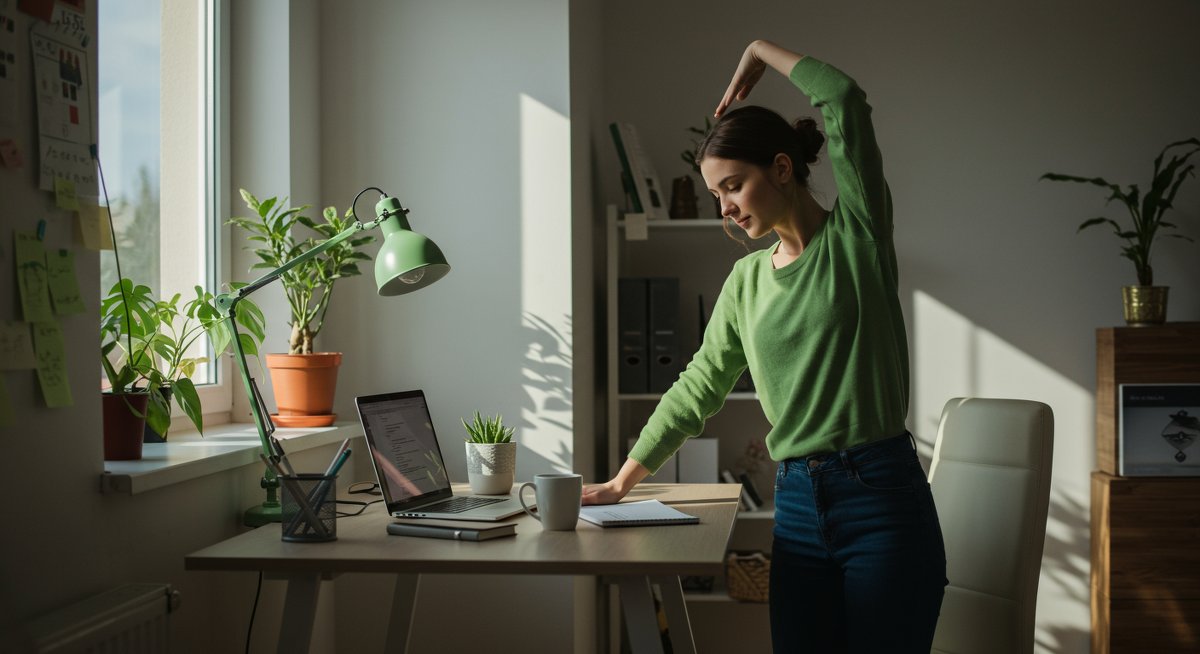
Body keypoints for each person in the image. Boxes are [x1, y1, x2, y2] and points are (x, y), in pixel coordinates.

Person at [582, 40, 947, 653]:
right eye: (715, 195)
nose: (724, 207)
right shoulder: (747, 280)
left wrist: (758, 52)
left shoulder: (857, 240)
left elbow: (845, 99)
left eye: (734, 186)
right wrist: (623, 482)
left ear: (782, 168)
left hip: (881, 497)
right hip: (799, 502)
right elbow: (699, 385)